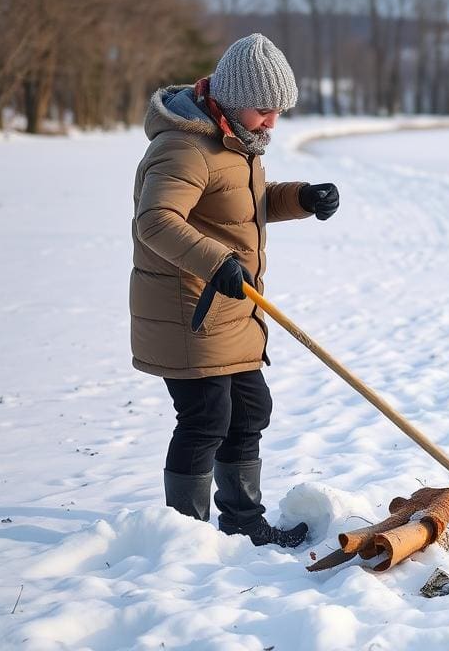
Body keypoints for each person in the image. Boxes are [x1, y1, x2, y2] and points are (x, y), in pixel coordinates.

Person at [131, 33, 340, 548]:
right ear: (231, 98)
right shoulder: (183, 146)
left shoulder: (234, 142)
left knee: (249, 410)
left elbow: (244, 201)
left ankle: (244, 522)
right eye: (264, 110)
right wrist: (215, 260)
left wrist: (301, 198)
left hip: (231, 307)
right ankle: (185, 538)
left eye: (279, 112)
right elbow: (155, 222)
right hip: (189, 311)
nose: (272, 122)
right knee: (206, 417)